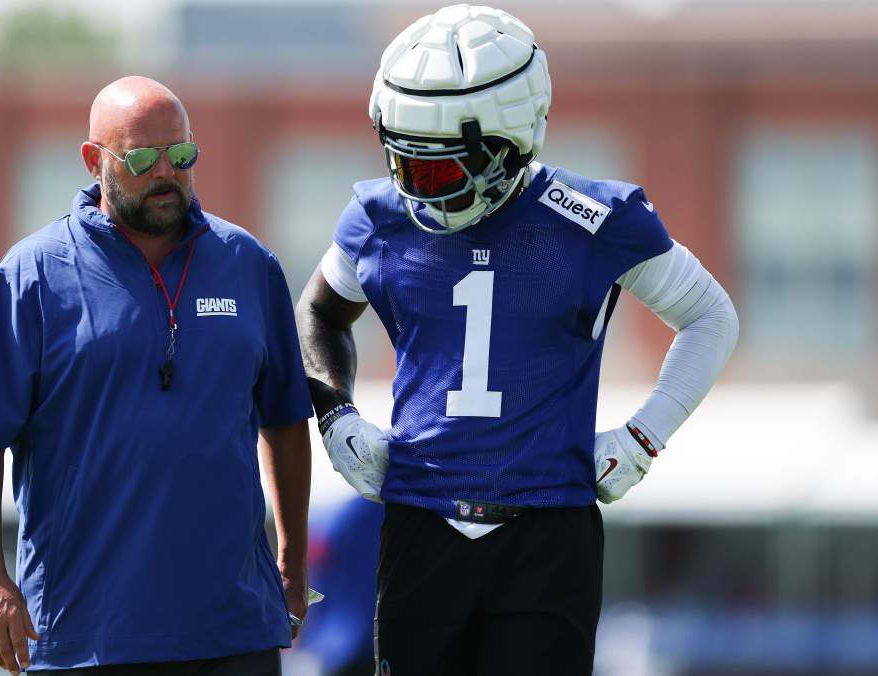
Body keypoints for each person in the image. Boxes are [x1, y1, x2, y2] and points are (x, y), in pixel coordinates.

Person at [295, 5, 739, 675]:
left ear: (509, 143)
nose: (416, 190)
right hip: (420, 521)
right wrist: (336, 416)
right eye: (403, 163)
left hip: (547, 533)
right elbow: (318, 313)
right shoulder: (377, 215)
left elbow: (710, 316)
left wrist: (644, 437)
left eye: (439, 171)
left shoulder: (595, 219)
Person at [0, 76, 312, 676]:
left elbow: (286, 420)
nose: (167, 172)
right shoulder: (33, 273)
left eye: (182, 155)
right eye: (143, 159)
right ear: (94, 161)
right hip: (86, 635)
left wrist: (292, 566)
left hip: (232, 629)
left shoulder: (248, 264)